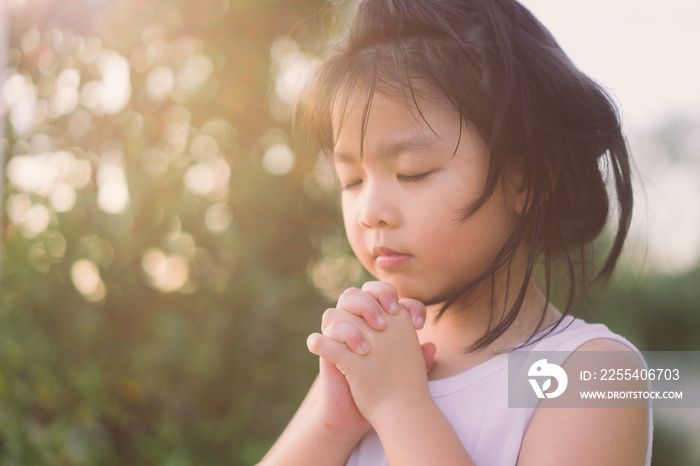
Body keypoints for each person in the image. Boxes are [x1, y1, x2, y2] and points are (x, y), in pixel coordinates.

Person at [261, 0, 651, 464]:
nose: (370, 211)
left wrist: (398, 406)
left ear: (526, 181)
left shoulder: (593, 371)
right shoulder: (371, 353)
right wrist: (331, 424)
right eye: (352, 180)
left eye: (413, 173)